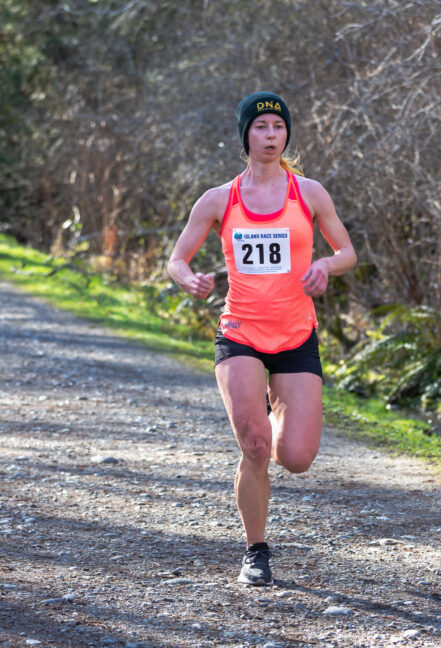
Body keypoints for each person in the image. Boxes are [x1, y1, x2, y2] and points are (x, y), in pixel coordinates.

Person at [167, 91, 357, 585]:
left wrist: (325, 264)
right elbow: (177, 258)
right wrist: (188, 279)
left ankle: (275, 412)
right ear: (245, 136)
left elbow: (348, 252)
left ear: (286, 134)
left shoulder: (309, 193)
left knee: (295, 457)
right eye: (260, 128)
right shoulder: (218, 200)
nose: (271, 136)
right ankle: (255, 550)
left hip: (296, 335)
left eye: (278, 127)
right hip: (241, 335)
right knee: (255, 447)